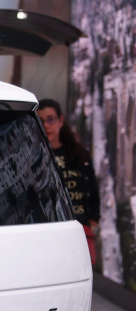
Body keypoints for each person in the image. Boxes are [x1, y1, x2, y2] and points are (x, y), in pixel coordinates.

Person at [38, 99, 100, 265]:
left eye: (50, 119)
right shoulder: (34, 155)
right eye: (41, 120)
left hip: (80, 228)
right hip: (49, 231)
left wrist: (93, 221)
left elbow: (93, 190)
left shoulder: (78, 155)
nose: (46, 125)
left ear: (60, 121)